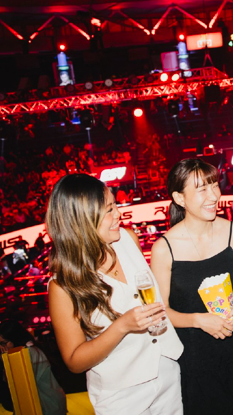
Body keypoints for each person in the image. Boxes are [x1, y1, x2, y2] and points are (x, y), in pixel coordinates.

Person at [47, 174, 183, 415]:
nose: (118, 213)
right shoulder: (63, 285)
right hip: (121, 396)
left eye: (115, 205)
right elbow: (74, 360)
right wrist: (122, 326)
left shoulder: (128, 239)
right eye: (109, 209)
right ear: (82, 220)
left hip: (167, 372)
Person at [149, 159, 233, 414]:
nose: (214, 195)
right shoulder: (164, 248)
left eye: (214, 185)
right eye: (202, 189)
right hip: (195, 359)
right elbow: (160, 312)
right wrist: (199, 320)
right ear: (179, 198)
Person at [0, 319, 67, 415]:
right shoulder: (23, 352)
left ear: (15, 338)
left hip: (48, 405)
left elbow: (17, 383)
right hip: (45, 403)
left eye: (3, 343)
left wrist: (5, 360)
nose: (0, 347)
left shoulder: (28, 353)